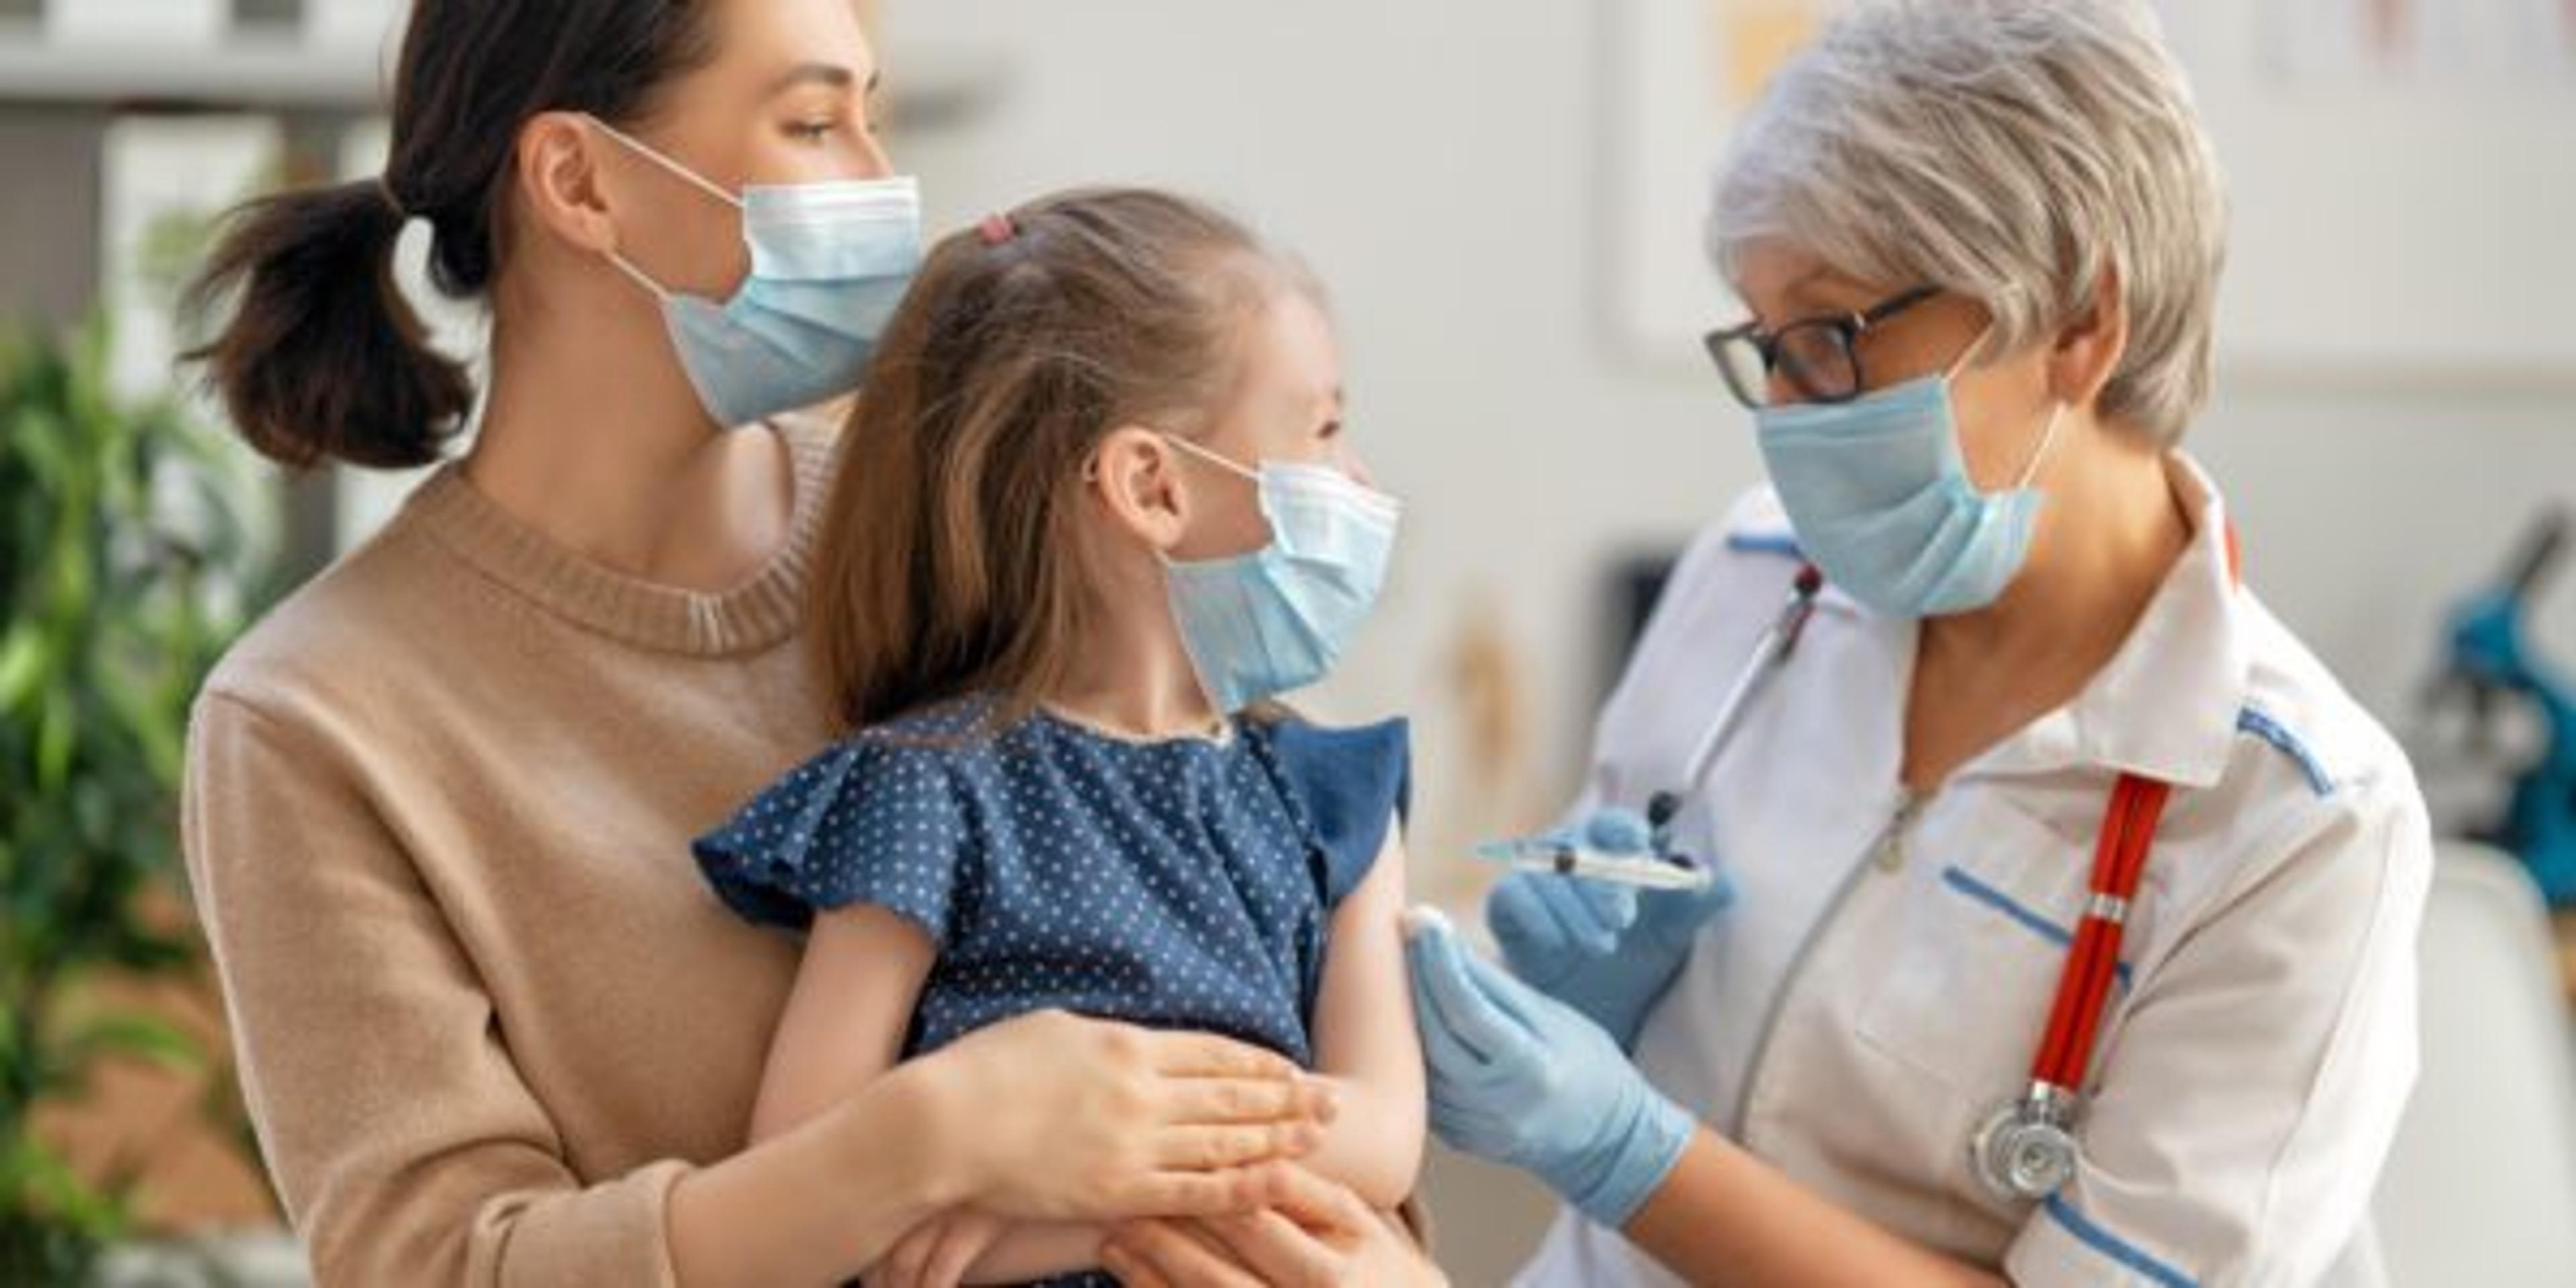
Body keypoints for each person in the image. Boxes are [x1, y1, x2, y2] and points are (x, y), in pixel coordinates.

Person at [178, 3, 1332, 1284]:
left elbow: (1274, 975)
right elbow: (448, 1265)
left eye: (875, 117)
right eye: (815, 121)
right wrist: (925, 1140)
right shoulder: (315, 719)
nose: (885, 186)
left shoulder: (974, 520)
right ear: (579, 180)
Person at [1405, 1, 2433, 1284]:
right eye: (1765, 347)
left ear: (2079, 320)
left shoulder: (2301, 820)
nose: (1787, 414)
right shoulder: (1749, 578)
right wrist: (1586, 993)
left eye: (1833, 338)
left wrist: (1634, 1154)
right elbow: (1596, 940)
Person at [689, 188, 1424, 1287]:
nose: (1359, 480)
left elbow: (1380, 1137)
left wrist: (1055, 1219)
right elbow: (811, 1165)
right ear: (1149, 484)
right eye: (1323, 428)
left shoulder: (1332, 793)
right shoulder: (922, 788)